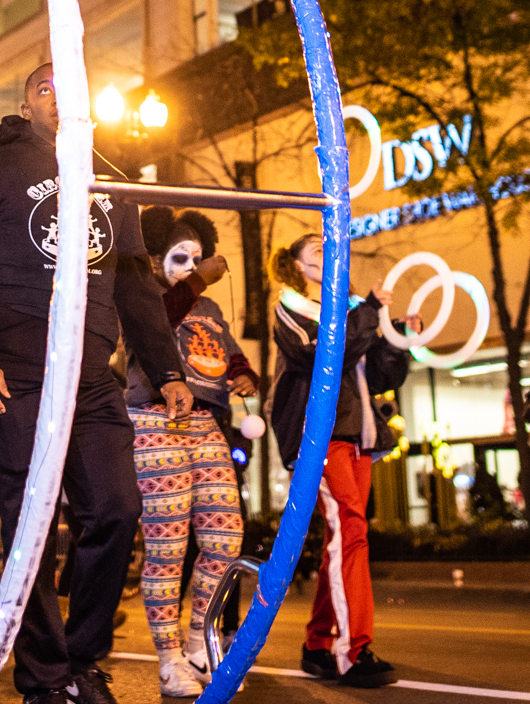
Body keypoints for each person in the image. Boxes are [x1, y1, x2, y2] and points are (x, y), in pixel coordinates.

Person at [0, 62, 188, 704]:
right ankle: (45, 678)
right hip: (17, 370)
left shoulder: (113, 183)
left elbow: (136, 289)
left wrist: (166, 371)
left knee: (117, 508)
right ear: (27, 103)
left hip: (91, 376)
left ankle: (80, 658)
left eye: (69, 90)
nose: (58, 100)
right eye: (46, 90)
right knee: (33, 528)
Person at [269, 231, 412, 687]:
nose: (328, 254)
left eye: (331, 248)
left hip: (360, 435)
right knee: (350, 531)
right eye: (316, 249)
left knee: (345, 535)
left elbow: (384, 376)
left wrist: (398, 337)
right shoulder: (291, 308)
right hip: (320, 437)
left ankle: (317, 645)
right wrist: (368, 312)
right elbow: (325, 356)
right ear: (295, 264)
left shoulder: (351, 310)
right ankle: (353, 650)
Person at [128, 209, 254, 695]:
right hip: (155, 419)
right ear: (156, 259)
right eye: (179, 257)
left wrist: (244, 374)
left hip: (205, 422)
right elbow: (154, 323)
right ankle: (169, 657)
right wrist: (197, 281)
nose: (190, 265)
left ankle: (202, 641)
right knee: (167, 547)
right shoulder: (145, 296)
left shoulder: (213, 311)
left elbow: (230, 352)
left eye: (197, 258)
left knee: (224, 537)